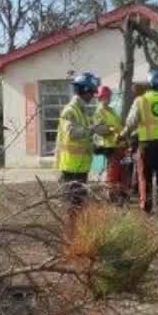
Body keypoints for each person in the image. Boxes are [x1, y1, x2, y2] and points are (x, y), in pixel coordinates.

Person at [121, 68, 158, 215]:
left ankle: (147, 209)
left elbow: (131, 123)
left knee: (145, 177)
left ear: (149, 83)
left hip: (147, 144)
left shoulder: (141, 100)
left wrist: (122, 135)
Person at [57, 72, 105, 214]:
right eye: (92, 92)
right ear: (85, 90)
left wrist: (96, 148)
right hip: (71, 168)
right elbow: (72, 133)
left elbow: (85, 136)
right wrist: (92, 129)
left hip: (80, 167)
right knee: (74, 207)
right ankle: (71, 234)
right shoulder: (70, 111)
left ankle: (75, 233)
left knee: (79, 206)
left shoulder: (81, 111)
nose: (93, 96)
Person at [94, 84, 128, 204]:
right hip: (110, 146)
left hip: (120, 144)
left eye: (109, 97)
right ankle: (111, 196)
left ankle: (122, 195)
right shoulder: (99, 111)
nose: (108, 99)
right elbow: (99, 129)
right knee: (113, 173)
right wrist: (112, 131)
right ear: (100, 97)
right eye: (105, 97)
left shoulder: (111, 110)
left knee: (122, 171)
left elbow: (118, 125)